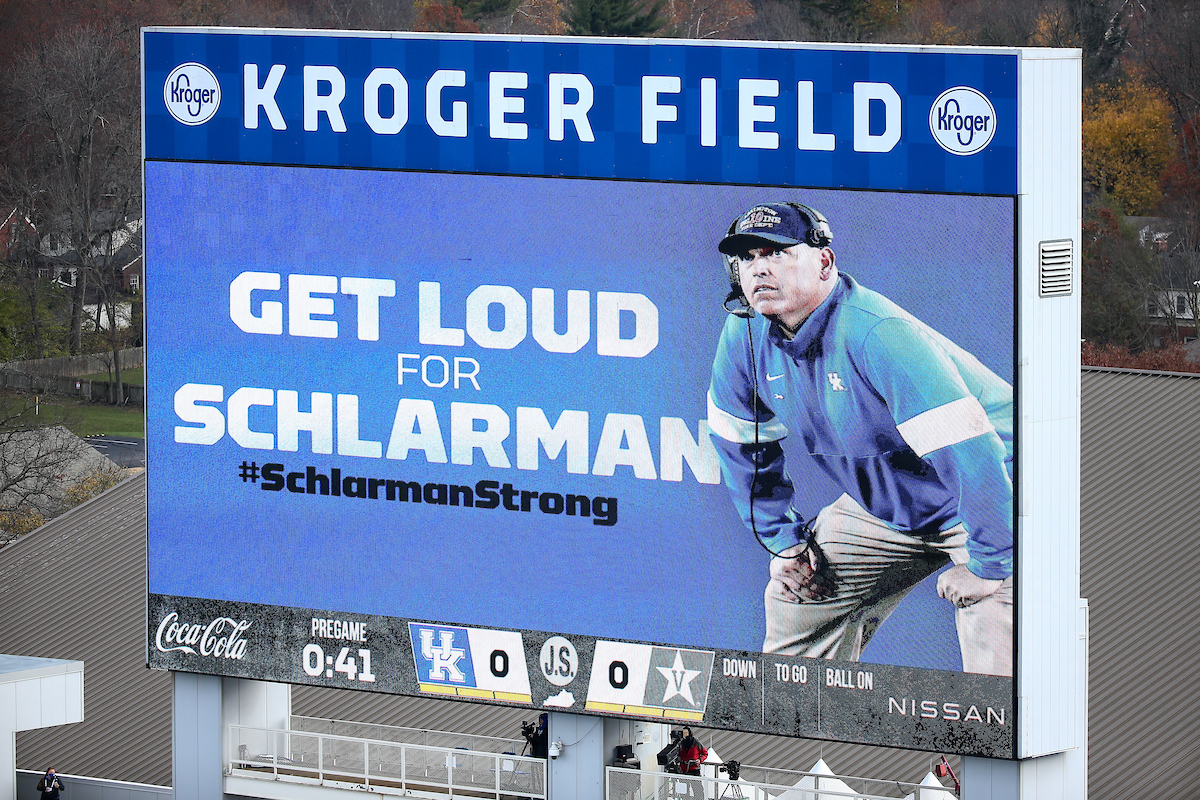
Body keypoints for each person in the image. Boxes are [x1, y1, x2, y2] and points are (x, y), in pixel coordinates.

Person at [707, 201, 1013, 677]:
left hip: (997, 489)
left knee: (992, 637)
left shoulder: (876, 333)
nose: (759, 268)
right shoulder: (745, 335)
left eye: (779, 253)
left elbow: (972, 453)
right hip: (892, 505)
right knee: (795, 594)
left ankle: (986, 749)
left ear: (825, 262)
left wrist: (989, 565)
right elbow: (739, 444)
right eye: (747, 258)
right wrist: (784, 542)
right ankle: (787, 747)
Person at [676, 728, 707, 799]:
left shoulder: (696, 742)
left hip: (694, 770)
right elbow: (677, 754)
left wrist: (700, 760)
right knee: (683, 792)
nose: (685, 735)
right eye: (683, 733)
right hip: (683, 770)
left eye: (686, 733)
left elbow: (705, 753)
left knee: (698, 791)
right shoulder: (680, 743)